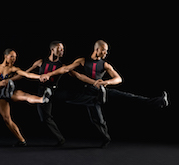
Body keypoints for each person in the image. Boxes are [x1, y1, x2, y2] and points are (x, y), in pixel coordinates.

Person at [40, 40, 168, 148]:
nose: (106, 53)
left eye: (107, 51)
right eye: (104, 50)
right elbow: (65, 69)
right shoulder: (83, 60)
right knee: (96, 118)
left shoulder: (105, 64)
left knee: (127, 96)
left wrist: (105, 82)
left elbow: (118, 79)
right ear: (96, 49)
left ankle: (158, 101)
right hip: (87, 91)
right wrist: (48, 74)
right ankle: (105, 136)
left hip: (100, 89)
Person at [28, 41, 66, 146]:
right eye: (60, 48)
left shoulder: (61, 65)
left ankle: (61, 139)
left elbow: (75, 74)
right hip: (41, 91)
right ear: (52, 49)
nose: (62, 51)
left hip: (53, 91)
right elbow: (26, 73)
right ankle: (60, 138)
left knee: (47, 117)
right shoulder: (41, 62)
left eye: (63, 49)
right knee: (43, 118)